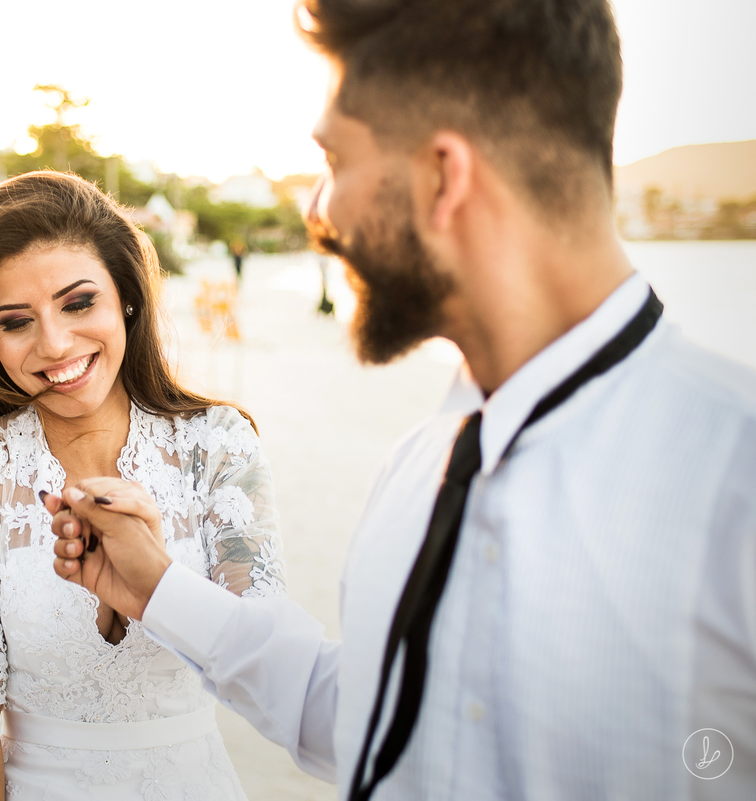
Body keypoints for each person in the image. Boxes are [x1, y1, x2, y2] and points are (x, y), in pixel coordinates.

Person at [48, 1, 756, 799]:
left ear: (443, 175)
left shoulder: (736, 479)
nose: (319, 211)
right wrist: (157, 588)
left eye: (336, 160)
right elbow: (378, 720)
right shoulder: (421, 462)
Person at [0, 171, 286, 801]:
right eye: (17, 321)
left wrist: (154, 580)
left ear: (125, 297)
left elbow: (269, 675)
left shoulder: (217, 445)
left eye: (78, 304)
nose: (55, 343)